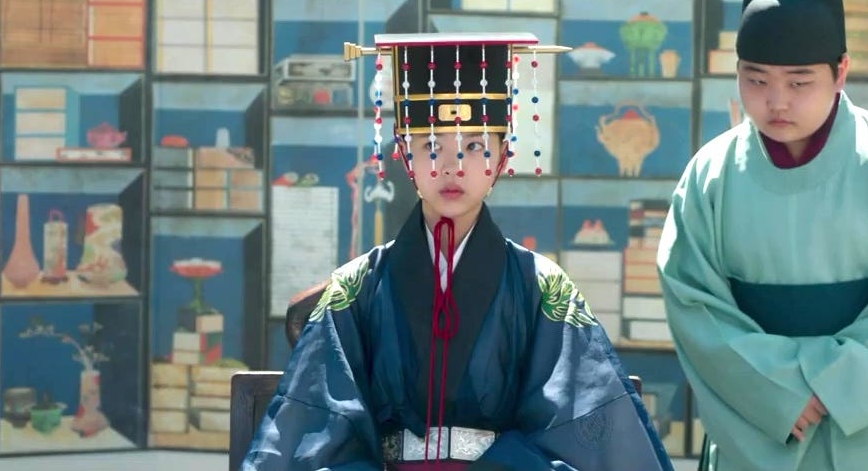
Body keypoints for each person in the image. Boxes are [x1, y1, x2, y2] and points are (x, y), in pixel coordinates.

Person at [243, 32, 674, 471]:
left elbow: (579, 417)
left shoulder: (540, 286)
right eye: (432, 147)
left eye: (474, 147)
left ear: (503, 156)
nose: (451, 166)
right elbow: (318, 423)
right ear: (405, 157)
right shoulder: (357, 287)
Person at [655, 0, 868, 471]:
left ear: (840, 73)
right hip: (763, 425)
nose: (776, 101)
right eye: (756, 80)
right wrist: (781, 394)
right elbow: (696, 309)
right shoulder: (710, 178)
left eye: (799, 82)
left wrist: (833, 388)